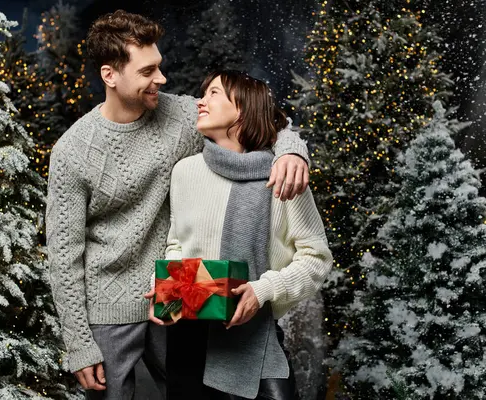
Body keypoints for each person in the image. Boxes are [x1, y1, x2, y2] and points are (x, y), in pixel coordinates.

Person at [45, 11, 311, 400]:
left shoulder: (184, 115)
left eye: (161, 67)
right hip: (106, 310)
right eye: (148, 71)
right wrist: (79, 343)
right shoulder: (71, 151)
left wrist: (292, 154)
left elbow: (266, 118)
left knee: (196, 394)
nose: (162, 79)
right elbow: (63, 254)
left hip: (178, 295)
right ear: (110, 75)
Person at [148, 70, 333, 399]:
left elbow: (316, 259)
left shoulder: (284, 176)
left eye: (214, 93)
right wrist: (164, 289)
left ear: (243, 109)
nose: (201, 101)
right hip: (186, 340)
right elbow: (177, 245)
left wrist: (263, 290)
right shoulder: (186, 172)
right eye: (203, 93)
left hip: (254, 340)